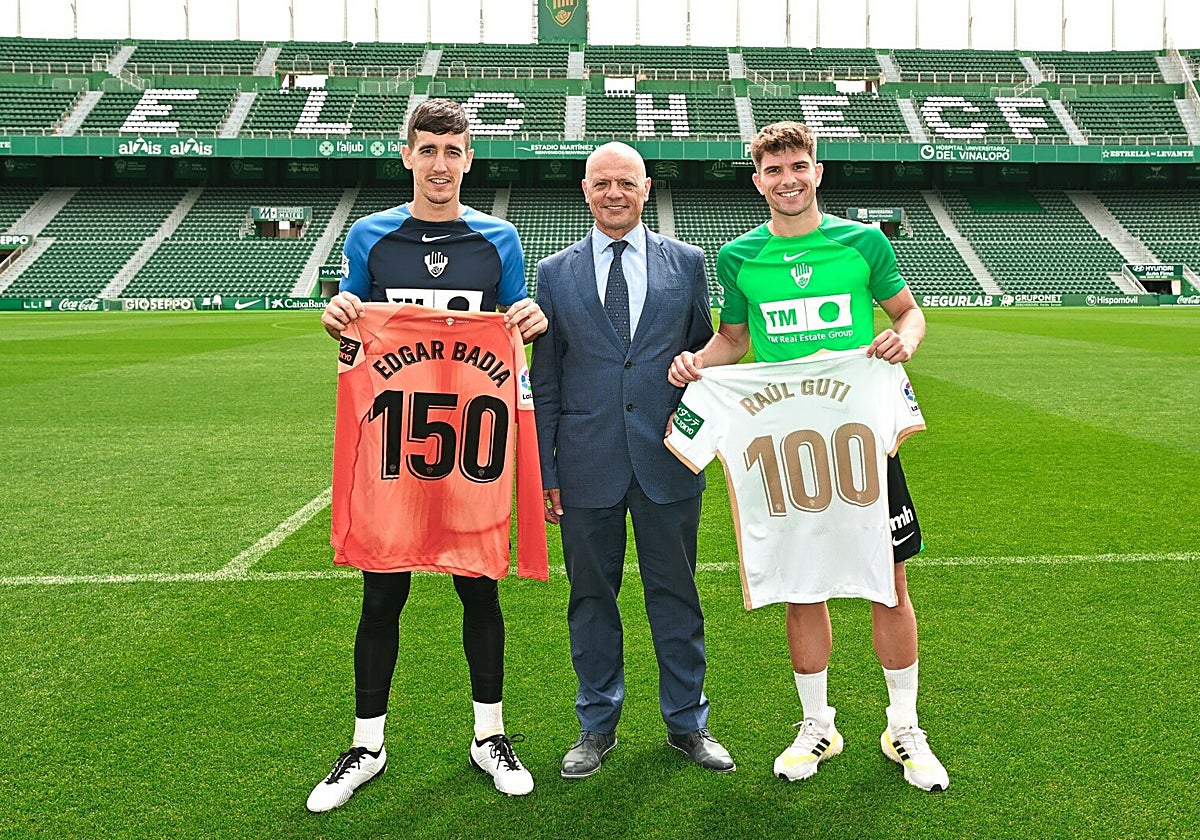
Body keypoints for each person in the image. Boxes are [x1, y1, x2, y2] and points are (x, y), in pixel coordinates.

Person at [667, 121, 949, 792]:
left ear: (816, 171)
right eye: (774, 170)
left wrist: (904, 339)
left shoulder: (863, 242)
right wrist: (695, 364)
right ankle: (817, 724)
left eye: (798, 166)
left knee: (890, 584)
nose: (788, 179)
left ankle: (904, 726)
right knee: (801, 585)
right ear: (757, 179)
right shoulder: (739, 258)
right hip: (783, 447)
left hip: (860, 438)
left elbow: (909, 313)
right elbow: (733, 341)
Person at [308, 98, 549, 812]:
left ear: (469, 158)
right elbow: (352, 326)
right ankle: (366, 745)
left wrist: (529, 317)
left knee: (480, 585)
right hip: (394, 445)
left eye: (453, 150)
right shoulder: (371, 238)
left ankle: (489, 735)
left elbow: (514, 323)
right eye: (427, 149)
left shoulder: (498, 239)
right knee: (382, 594)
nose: (440, 163)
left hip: (473, 445)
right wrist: (337, 315)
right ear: (407, 156)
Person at [530, 141, 734, 778]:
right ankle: (596, 725)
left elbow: (707, 353)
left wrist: (695, 382)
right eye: (601, 183)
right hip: (587, 463)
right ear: (584, 190)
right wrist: (549, 471)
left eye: (626, 182)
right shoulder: (553, 274)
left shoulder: (689, 263)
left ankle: (688, 723)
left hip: (668, 459)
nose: (613, 193)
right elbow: (548, 379)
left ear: (647, 189)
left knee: (676, 594)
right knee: (591, 598)